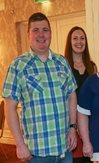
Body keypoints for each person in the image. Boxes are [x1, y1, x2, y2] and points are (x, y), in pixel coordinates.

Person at [2, 12, 77, 162]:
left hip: (64, 149)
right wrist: (19, 143)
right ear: (28, 34)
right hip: (36, 153)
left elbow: (71, 96)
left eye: (45, 30)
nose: (41, 34)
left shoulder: (62, 62)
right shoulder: (18, 66)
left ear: (51, 33)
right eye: (36, 30)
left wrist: (72, 128)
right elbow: (9, 108)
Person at [64, 26, 97, 163]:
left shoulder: (92, 66)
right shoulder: (63, 65)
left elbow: (95, 94)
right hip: (71, 123)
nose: (79, 42)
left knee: (88, 159)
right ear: (70, 42)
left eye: (82, 38)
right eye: (75, 38)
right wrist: (74, 125)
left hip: (89, 122)